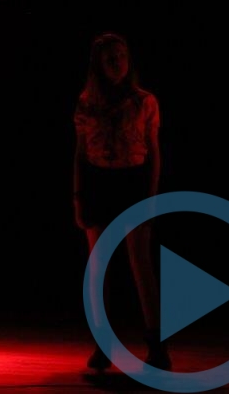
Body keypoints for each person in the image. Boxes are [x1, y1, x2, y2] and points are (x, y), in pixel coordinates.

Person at [73, 32, 171, 370]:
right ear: (99, 65)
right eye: (110, 58)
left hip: (132, 180)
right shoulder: (88, 101)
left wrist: (152, 196)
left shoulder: (144, 101)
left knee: (140, 263)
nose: (117, 63)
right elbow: (80, 152)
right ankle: (103, 344)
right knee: (99, 265)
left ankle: (157, 344)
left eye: (121, 56)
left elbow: (153, 151)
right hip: (98, 181)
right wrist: (78, 195)